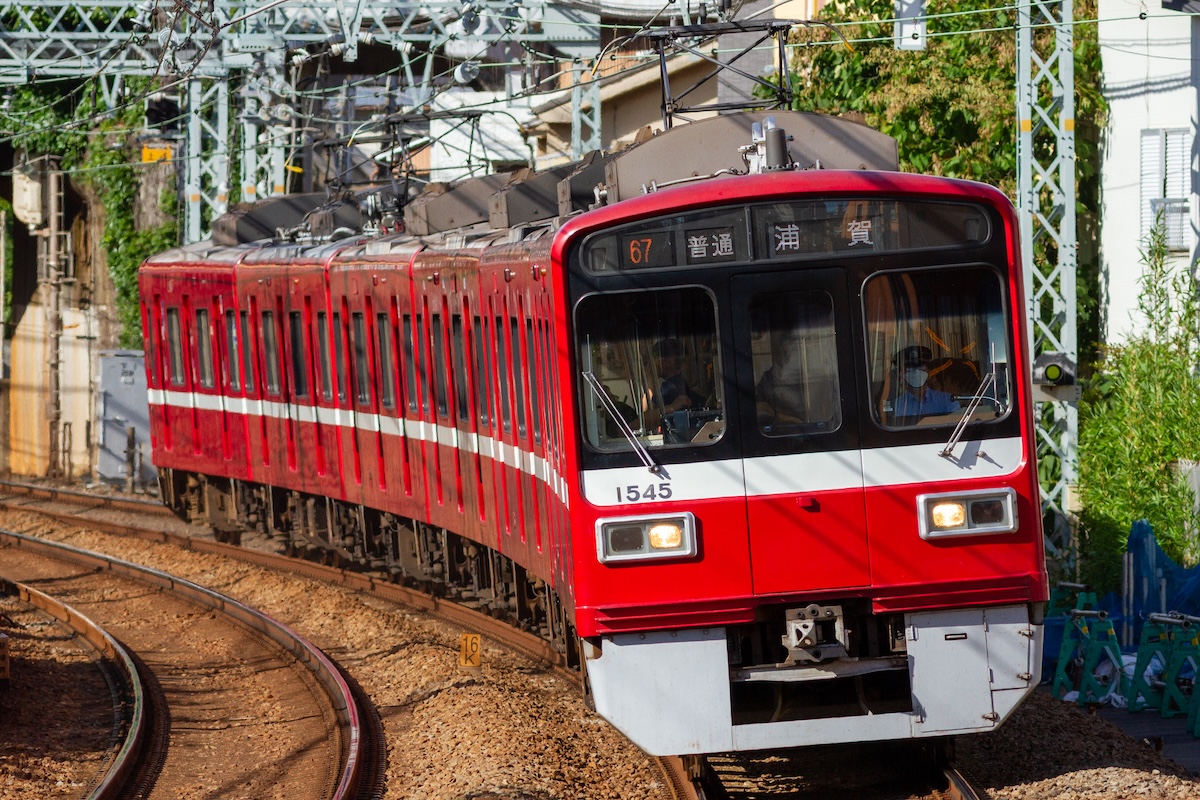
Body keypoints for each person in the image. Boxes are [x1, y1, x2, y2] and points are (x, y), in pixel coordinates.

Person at [890, 345, 960, 417]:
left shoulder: (947, 400)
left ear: (928, 372)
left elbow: (957, 421)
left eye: (921, 368)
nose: (916, 373)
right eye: (910, 369)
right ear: (901, 374)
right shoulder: (898, 404)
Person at [653, 339, 705, 413]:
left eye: (653, 360)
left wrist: (649, 381)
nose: (650, 367)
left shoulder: (667, 390)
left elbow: (647, 414)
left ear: (666, 362)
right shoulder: (686, 389)